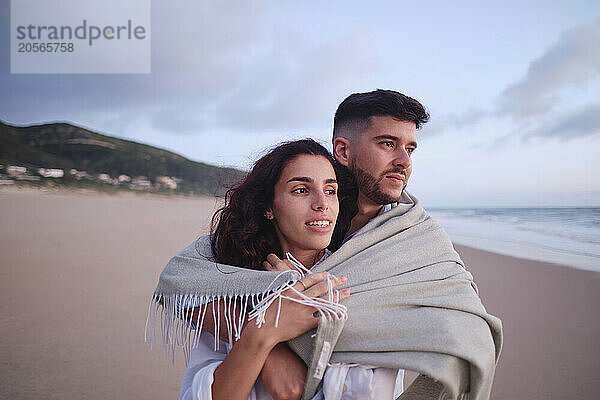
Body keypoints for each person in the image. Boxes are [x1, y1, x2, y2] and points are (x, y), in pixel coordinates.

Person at [147, 90, 502, 400]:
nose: (404, 162)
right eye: (388, 144)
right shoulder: (258, 247)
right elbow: (186, 280)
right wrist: (269, 320)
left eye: (410, 148)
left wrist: (287, 307)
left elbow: (470, 327)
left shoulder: (416, 241)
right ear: (343, 150)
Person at [174, 139, 403, 399]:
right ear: (269, 207)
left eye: (330, 191)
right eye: (301, 190)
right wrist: (264, 332)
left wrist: (296, 287)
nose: (321, 203)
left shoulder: (362, 283)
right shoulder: (234, 290)